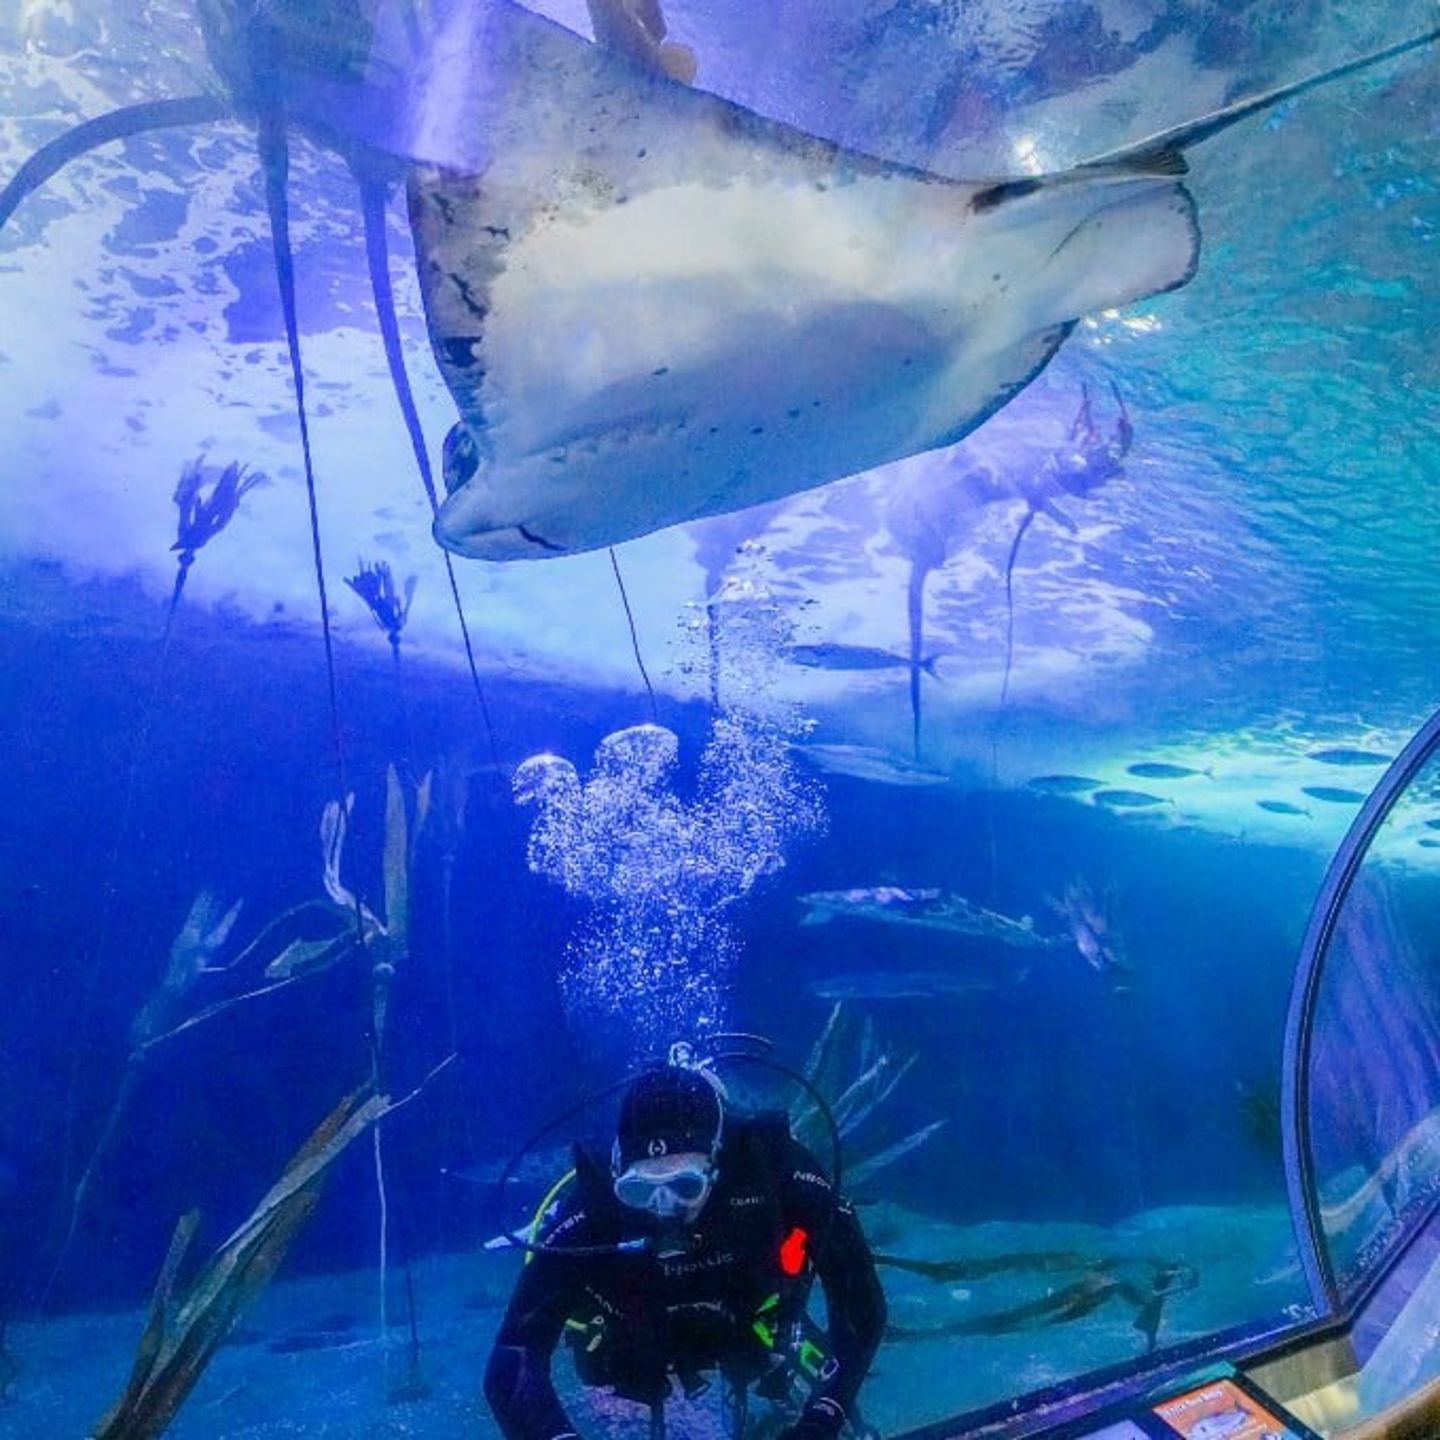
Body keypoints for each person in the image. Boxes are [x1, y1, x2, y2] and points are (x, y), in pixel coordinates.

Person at [485, 1060, 887, 1440]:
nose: (664, 1208)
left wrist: (822, 1419)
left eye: (685, 1186)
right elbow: (514, 1353)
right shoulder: (594, 1208)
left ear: (718, 1162)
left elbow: (860, 1308)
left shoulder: (776, 1174)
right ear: (618, 1172)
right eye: (640, 1190)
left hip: (757, 1323)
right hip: (630, 1342)